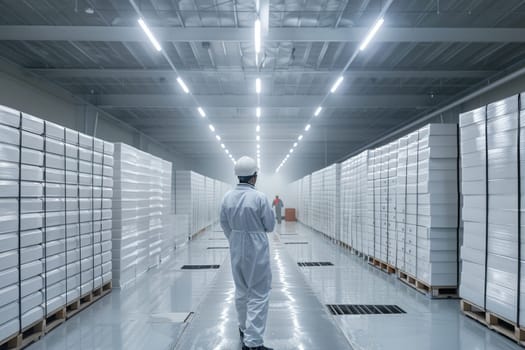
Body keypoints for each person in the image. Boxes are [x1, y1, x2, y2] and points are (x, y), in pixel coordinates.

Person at [220, 156, 275, 350]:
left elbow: (224, 223)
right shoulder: (259, 197)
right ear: (254, 176)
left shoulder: (227, 197)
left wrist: (235, 238)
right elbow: (269, 225)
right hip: (256, 247)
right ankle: (253, 343)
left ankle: (244, 331)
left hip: (235, 245)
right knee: (259, 293)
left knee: (242, 290)